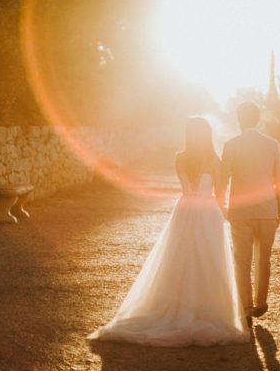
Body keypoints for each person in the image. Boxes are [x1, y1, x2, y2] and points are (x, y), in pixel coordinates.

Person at [88, 117, 250, 346]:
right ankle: (207, 309)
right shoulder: (214, 159)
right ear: (207, 136)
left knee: (179, 258)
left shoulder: (180, 158)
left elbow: (186, 189)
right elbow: (221, 193)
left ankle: (176, 304)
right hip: (208, 211)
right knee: (209, 260)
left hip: (184, 209)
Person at [219, 101, 280, 328]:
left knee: (242, 261)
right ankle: (261, 302)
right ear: (257, 119)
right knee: (263, 259)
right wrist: (279, 210)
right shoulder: (272, 144)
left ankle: (246, 308)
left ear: (239, 119)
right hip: (268, 211)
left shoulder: (231, 145)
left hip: (240, 211)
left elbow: (222, 180)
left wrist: (223, 207)